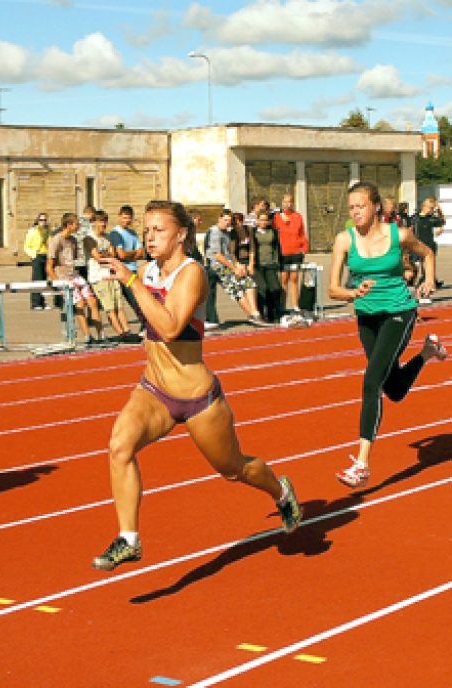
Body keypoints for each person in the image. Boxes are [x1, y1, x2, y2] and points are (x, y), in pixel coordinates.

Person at [91, 200, 301, 571]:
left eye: (159, 230)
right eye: (147, 229)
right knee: (119, 446)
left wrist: (130, 281)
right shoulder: (147, 270)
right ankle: (129, 539)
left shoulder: (192, 274)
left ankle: (280, 491)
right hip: (153, 390)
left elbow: (171, 327)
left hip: (197, 397)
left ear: (182, 235)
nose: (150, 236)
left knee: (234, 469)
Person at [328, 182, 448, 488]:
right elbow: (332, 289)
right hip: (367, 317)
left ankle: (362, 464)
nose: (355, 212)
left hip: (399, 311)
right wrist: (353, 292)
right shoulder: (344, 240)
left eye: (361, 206)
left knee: (371, 381)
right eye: (351, 207)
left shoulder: (399, 235)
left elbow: (427, 253)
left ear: (376, 207)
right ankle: (427, 352)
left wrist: (429, 281)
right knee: (393, 390)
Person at [47, 212, 106, 347]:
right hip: (63, 278)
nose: (78, 226)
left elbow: (74, 259)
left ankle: (101, 334)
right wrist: (57, 283)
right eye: (76, 224)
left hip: (74, 274)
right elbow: (49, 267)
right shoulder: (56, 240)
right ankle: (87, 336)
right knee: (80, 304)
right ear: (69, 225)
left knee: (92, 301)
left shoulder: (73, 240)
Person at [205, 210, 269, 327]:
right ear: (219, 218)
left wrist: (238, 266)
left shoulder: (226, 233)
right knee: (236, 289)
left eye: (229, 221)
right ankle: (252, 315)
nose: (227, 223)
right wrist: (234, 268)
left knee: (249, 283)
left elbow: (229, 253)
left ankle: (255, 313)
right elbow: (218, 255)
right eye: (225, 220)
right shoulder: (215, 232)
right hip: (218, 268)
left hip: (229, 266)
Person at [87, 210, 129, 341]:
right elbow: (97, 257)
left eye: (105, 221)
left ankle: (127, 331)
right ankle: (120, 333)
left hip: (111, 273)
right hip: (98, 276)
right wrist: (106, 255)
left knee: (119, 306)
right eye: (100, 221)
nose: (103, 224)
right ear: (94, 222)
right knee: (110, 307)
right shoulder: (89, 238)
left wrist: (105, 254)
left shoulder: (107, 237)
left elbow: (113, 253)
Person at [109, 205, 144, 339]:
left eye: (129, 218)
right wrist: (133, 253)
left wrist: (133, 254)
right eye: (124, 218)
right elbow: (121, 254)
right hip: (123, 271)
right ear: (119, 216)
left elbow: (141, 253)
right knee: (134, 301)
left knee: (141, 299)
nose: (126, 221)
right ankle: (140, 326)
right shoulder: (115, 233)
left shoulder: (133, 233)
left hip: (134, 270)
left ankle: (144, 325)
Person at [275, 193, 309, 316]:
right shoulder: (277, 216)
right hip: (283, 252)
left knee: (294, 279)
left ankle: (295, 305)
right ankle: (282, 305)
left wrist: (304, 246)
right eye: (285, 202)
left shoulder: (297, 216)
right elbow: (269, 212)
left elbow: (302, 233)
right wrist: (281, 212)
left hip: (296, 251)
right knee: (283, 279)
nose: (287, 204)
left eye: (289, 202)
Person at [251, 210, 284, 323]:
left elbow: (277, 248)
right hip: (258, 264)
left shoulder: (273, 232)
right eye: (261, 220)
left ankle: (273, 313)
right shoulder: (253, 232)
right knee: (262, 288)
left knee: (274, 288)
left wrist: (277, 262)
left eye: (266, 220)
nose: (264, 222)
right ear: (257, 221)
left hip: (270, 264)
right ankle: (260, 313)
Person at [412, 196, 445, 302]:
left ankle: (424, 295)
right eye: (429, 208)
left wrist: (439, 208)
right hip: (417, 247)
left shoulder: (430, 219)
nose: (430, 210)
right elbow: (409, 230)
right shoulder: (415, 218)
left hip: (429, 248)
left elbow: (442, 220)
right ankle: (416, 294)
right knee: (416, 271)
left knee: (427, 273)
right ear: (424, 207)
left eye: (432, 208)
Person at [23, 214, 52, 310]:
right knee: (37, 278)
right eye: (41, 220)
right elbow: (27, 246)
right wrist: (33, 255)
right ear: (37, 221)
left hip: (46, 255)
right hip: (37, 255)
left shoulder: (48, 231)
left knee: (44, 279)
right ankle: (35, 303)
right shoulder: (33, 231)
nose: (43, 222)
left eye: (44, 220)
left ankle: (42, 302)